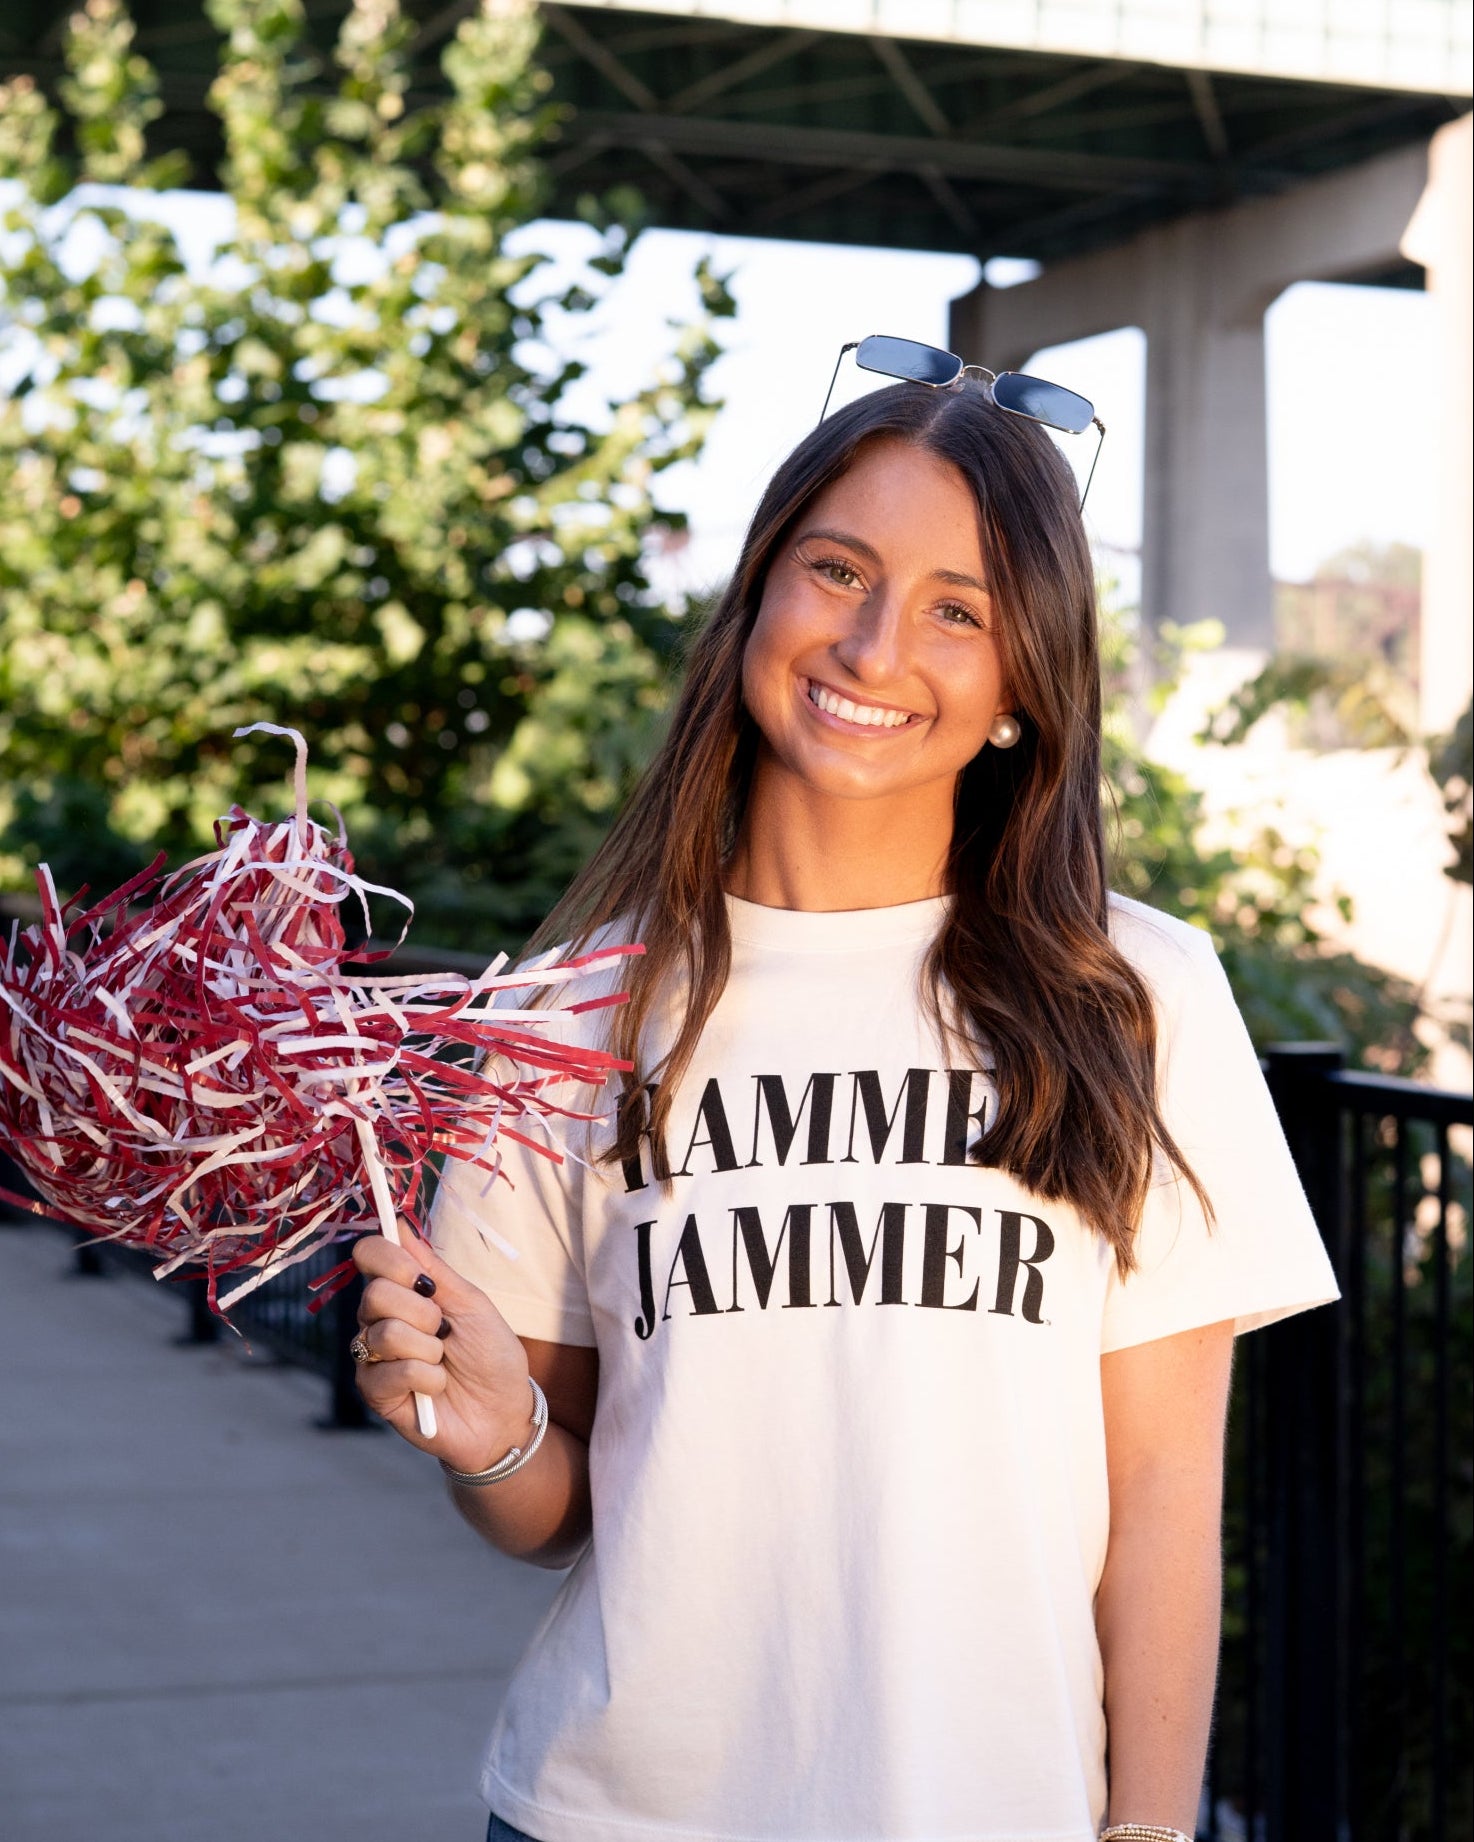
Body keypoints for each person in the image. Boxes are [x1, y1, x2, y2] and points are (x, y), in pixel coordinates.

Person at [350, 352, 1339, 1842]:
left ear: (1022, 687)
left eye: (960, 609)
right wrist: (481, 1434)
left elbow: (1157, 1508)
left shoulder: (1134, 995)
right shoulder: (570, 1010)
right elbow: (557, 1511)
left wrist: (1147, 1831)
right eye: (837, 571)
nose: (876, 646)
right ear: (757, 595)